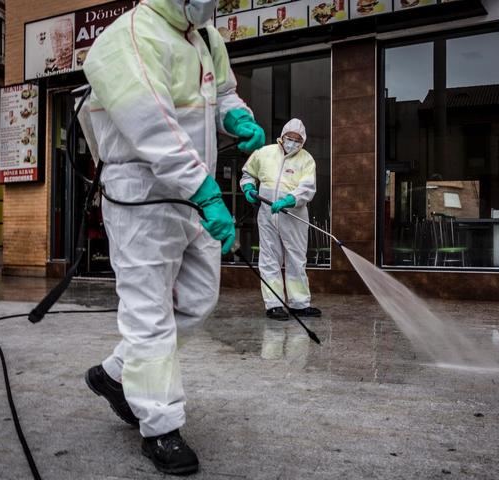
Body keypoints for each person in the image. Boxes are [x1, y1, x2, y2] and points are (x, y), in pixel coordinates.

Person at [81, 0, 265, 475]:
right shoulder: (130, 36)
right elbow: (152, 127)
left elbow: (223, 92)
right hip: (141, 194)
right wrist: (204, 189)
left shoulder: (205, 36)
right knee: (148, 311)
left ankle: (116, 374)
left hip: (192, 188)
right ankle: (160, 426)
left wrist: (236, 116)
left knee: (198, 299)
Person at [240, 119, 322, 320]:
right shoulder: (264, 153)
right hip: (267, 214)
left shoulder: (306, 160)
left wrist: (291, 199)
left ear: (303, 141)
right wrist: (248, 188)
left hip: (293, 214)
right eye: (289, 138)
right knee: (269, 258)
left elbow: (308, 187)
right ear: (282, 136)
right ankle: (274, 304)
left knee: (295, 258)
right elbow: (247, 174)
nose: (292, 142)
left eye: (297, 139)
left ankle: (299, 304)